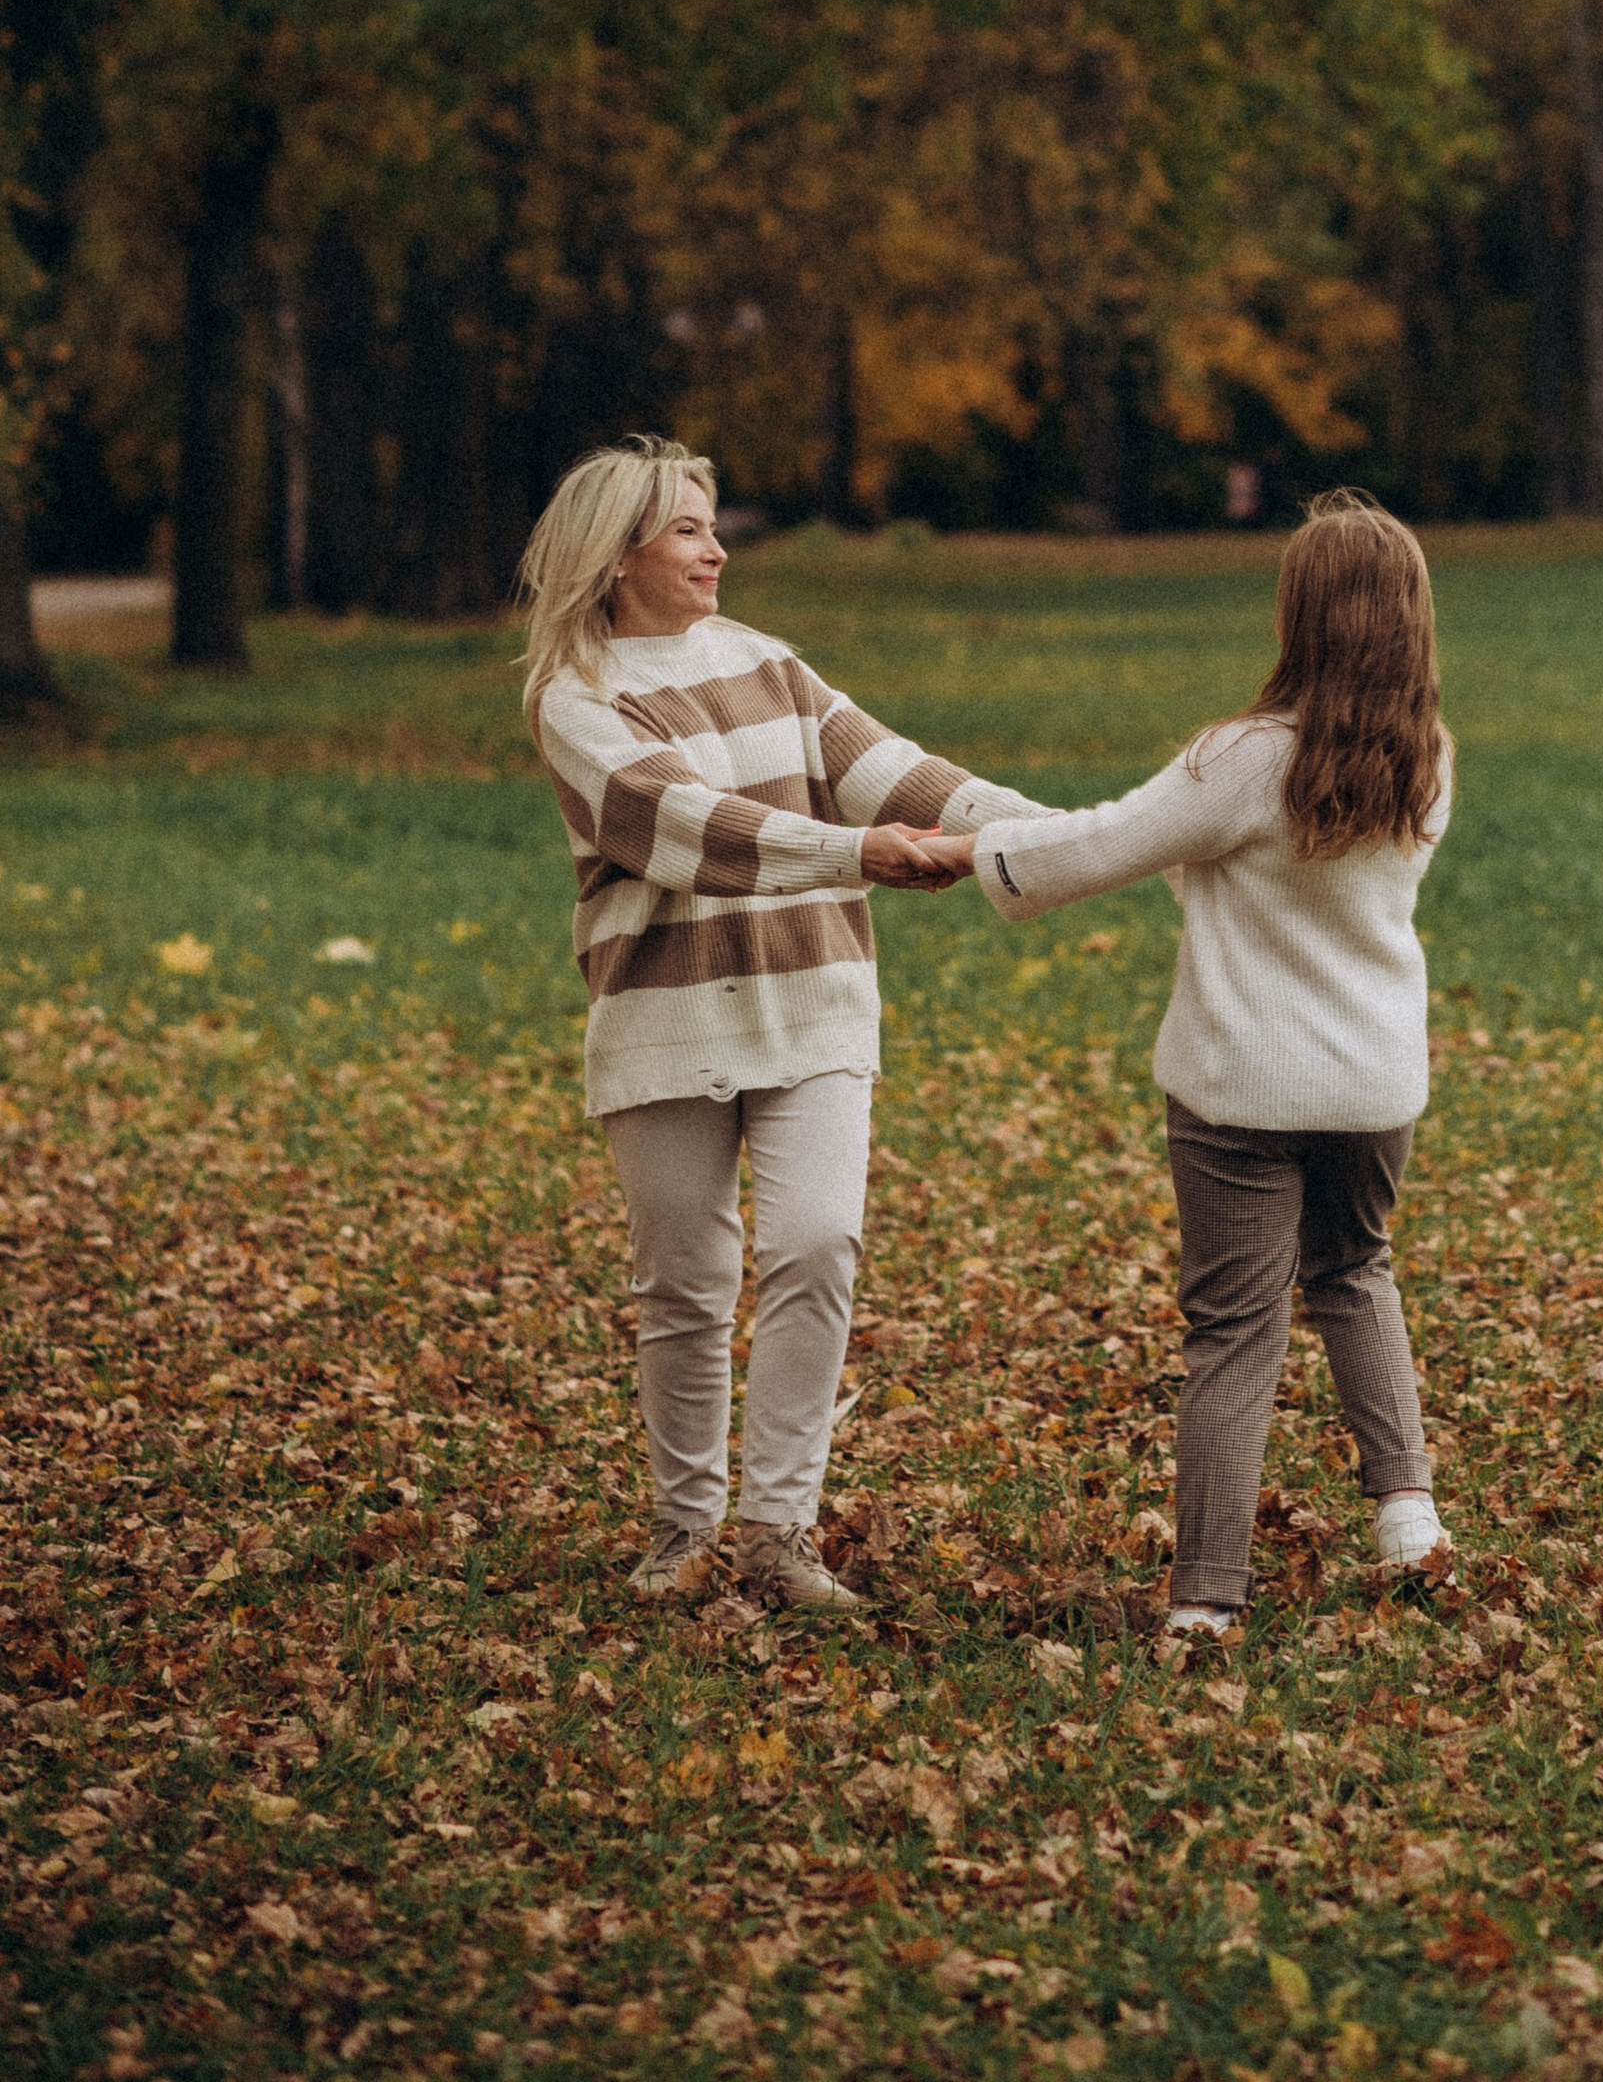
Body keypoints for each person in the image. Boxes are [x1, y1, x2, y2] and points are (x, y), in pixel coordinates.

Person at [519, 436, 1018, 1617]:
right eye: (689, 526)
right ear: (618, 551)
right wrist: (857, 853)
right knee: (686, 1282)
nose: (716, 545)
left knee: (816, 1240)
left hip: (814, 998)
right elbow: (686, 827)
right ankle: (684, 1528)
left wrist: (1078, 832)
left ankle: (777, 1535)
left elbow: (897, 774)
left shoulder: (770, 665)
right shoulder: (576, 698)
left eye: (711, 522)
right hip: (664, 1017)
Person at [954, 489, 1454, 1639]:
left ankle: (1206, 1597)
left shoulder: (1239, 757)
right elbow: (1227, 871)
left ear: (1299, 615)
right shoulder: (1425, 758)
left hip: (1243, 1090)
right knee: (1356, 1272)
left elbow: (1110, 845)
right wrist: (1011, 831)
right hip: (1372, 1087)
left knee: (1233, 1327)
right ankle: (1408, 1519)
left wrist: (976, 846)